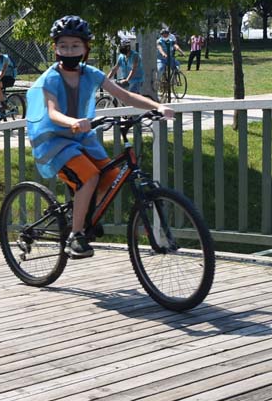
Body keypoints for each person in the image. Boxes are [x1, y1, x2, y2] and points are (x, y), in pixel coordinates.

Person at [27, 15, 173, 259]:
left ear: (86, 49)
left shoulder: (91, 73)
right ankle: (75, 235)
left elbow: (125, 96)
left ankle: (85, 217)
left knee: (111, 177)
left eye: (75, 46)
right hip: (55, 139)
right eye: (63, 46)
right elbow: (52, 112)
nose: (69, 51)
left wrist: (156, 107)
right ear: (55, 49)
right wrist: (72, 121)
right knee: (90, 176)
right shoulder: (51, 78)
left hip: (82, 137)